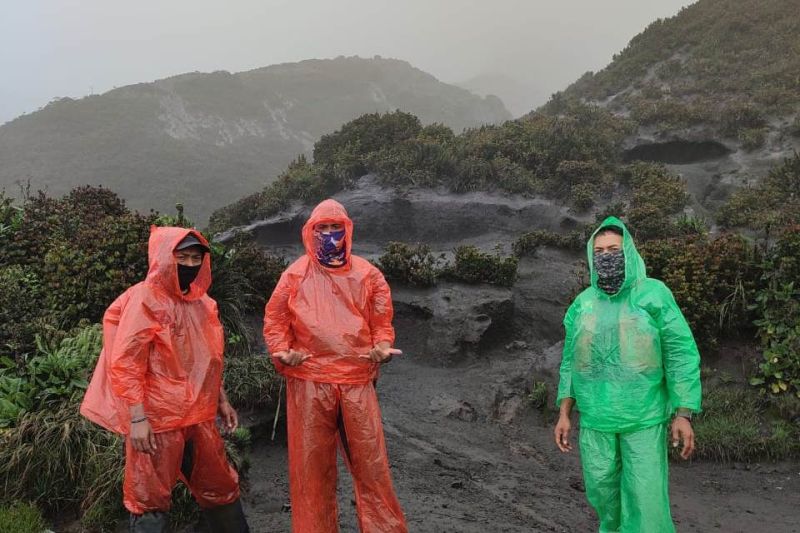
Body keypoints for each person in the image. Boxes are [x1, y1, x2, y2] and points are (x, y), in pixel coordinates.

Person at [81, 227, 249, 533]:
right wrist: (137, 418)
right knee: (149, 498)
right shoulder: (145, 300)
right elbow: (126, 362)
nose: (188, 264)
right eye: (181, 257)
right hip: (157, 420)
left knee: (220, 484)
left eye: (195, 258)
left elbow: (206, 360)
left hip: (198, 416)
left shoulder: (202, 304)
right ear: (163, 259)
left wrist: (221, 399)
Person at [264, 199, 407, 533]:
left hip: (356, 381)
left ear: (347, 230)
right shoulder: (294, 275)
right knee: (312, 470)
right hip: (309, 382)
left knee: (371, 468)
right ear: (310, 232)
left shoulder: (368, 275)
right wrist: (282, 351)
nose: (329, 234)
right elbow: (275, 319)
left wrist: (382, 347)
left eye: (335, 228)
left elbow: (381, 321)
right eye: (322, 228)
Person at [553, 216, 701, 533]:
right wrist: (565, 412)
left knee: (645, 500)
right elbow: (570, 361)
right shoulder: (583, 304)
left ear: (628, 252)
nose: (606, 256)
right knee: (603, 494)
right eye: (600, 250)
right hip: (596, 420)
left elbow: (680, 353)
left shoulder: (654, 295)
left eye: (613, 249)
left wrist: (683, 412)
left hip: (643, 419)